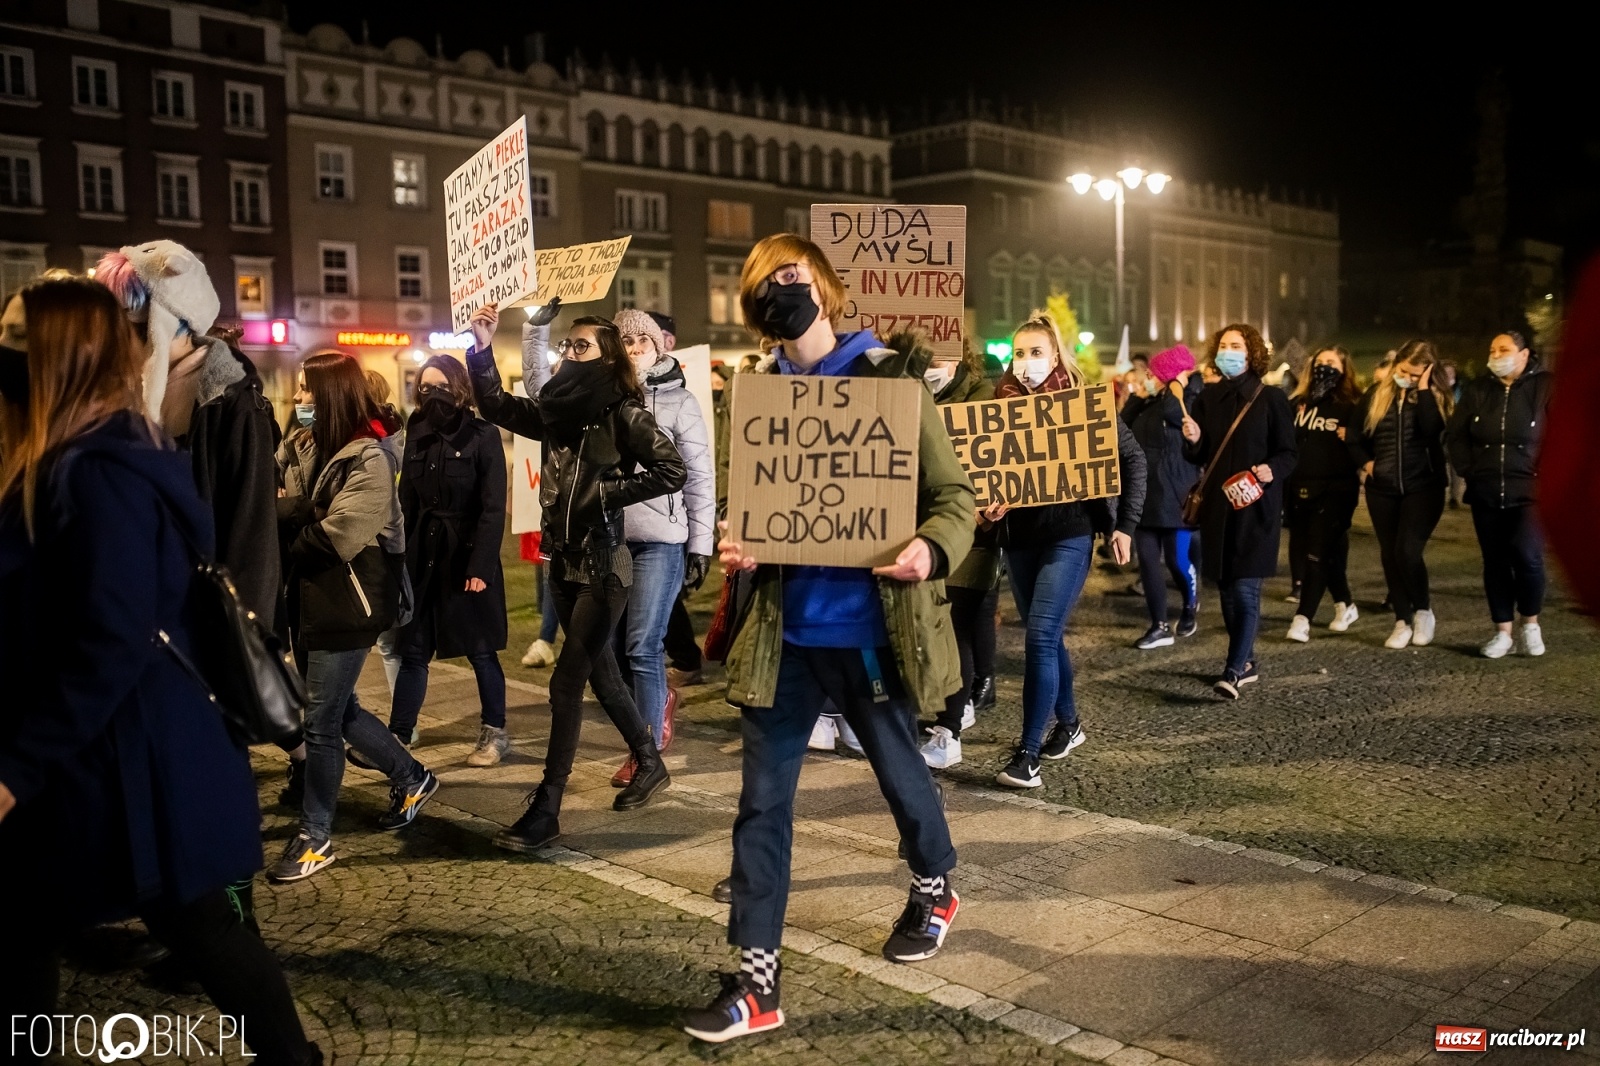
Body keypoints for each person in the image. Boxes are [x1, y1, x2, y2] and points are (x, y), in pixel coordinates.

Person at [0, 277, 322, 1065]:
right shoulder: (74, 455)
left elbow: (109, 639)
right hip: (115, 757)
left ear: (59, 355)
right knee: (69, 921)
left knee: (189, 922)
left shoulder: (98, 470)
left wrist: (14, 768)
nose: (0, 347)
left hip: (127, 759)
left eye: (13, 335)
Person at [683, 234, 974, 1043]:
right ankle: (757, 984)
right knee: (760, 805)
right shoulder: (758, 393)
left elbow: (955, 498)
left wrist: (928, 547)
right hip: (783, 637)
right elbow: (754, 506)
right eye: (762, 283)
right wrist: (737, 541)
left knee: (897, 775)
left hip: (873, 632)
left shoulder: (888, 378)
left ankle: (934, 883)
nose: (780, 290)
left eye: (791, 275)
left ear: (825, 286)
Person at [95, 242, 292, 934]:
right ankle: (190, 925)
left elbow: (250, 530)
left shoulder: (228, 399)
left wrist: (242, 639)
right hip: (168, 633)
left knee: (220, 806)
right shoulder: (147, 393)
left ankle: (236, 934)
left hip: (209, 635)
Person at [468, 304, 685, 852]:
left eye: (580, 346)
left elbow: (672, 469)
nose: (569, 353)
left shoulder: (622, 411)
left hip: (604, 567)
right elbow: (493, 403)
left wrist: (607, 494)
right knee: (605, 677)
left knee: (567, 683)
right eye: (567, 346)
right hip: (561, 562)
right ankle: (650, 762)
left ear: (606, 355)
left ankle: (547, 805)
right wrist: (483, 345)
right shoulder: (556, 411)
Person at [269, 351, 440, 883]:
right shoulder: (299, 444)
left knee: (319, 723)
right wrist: (291, 513)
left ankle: (315, 836)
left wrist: (289, 514)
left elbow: (338, 535)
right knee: (337, 711)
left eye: (305, 392)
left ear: (332, 395)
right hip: (307, 598)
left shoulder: (371, 457)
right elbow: (264, 498)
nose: (297, 401)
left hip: (350, 602)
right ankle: (411, 775)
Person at [988, 313, 1146, 786]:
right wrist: (988, 505)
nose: (1026, 362)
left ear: (1056, 356)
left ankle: (1028, 753)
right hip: (1019, 537)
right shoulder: (998, 407)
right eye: (1019, 353)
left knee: (1038, 636)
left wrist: (1125, 526)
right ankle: (1071, 723)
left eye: (1037, 352)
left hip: (1070, 532)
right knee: (1049, 638)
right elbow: (985, 473)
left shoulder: (1084, 406)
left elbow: (1133, 458)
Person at [383, 355, 511, 765]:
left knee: (480, 648)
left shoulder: (482, 434)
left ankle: (494, 732)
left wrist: (481, 566)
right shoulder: (415, 434)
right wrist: (398, 558)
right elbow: (405, 501)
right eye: (424, 387)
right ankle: (399, 733)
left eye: (440, 386)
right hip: (423, 556)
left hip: (466, 556)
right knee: (413, 648)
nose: (431, 394)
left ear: (458, 388)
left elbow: (493, 508)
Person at [607, 309, 715, 784]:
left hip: (660, 540)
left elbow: (699, 477)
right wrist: (535, 333)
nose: (633, 351)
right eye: (625, 342)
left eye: (641, 342)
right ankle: (659, 705)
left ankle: (644, 753)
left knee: (643, 646)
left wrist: (701, 544)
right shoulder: (601, 397)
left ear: (658, 347)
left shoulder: (680, 402)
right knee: (608, 649)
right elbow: (543, 395)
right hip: (609, 539)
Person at [1181, 324, 1296, 698]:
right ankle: (1245, 660)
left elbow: (1289, 453)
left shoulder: (1271, 398)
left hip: (1255, 508)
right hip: (1218, 509)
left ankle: (1232, 670)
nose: (1228, 351)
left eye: (1236, 345)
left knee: (1246, 589)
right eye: (1224, 345)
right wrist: (1194, 440)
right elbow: (1199, 456)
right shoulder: (1207, 399)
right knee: (1227, 590)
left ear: (1252, 354)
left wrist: (1271, 470)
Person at [1447, 330, 1553, 658]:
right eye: (1493, 349)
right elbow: (1456, 435)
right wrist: (1470, 469)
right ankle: (1502, 630)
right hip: (1487, 489)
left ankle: (1530, 623)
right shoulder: (1479, 389)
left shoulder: (1546, 386)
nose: (1496, 355)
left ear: (1524, 355)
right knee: (1495, 561)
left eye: (1504, 349)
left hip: (1532, 490)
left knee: (1527, 555)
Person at [920, 338, 999, 769]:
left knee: (957, 625)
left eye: (941, 350)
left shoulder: (982, 397)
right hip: (921, 528)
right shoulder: (909, 388)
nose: (933, 360)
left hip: (973, 530)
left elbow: (998, 463)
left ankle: (949, 725)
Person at [1349, 339, 1452, 650]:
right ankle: (1402, 620)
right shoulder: (1377, 393)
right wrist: (1366, 464)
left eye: (1414, 373)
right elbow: (1354, 435)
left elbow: (1433, 431)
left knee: (1408, 550)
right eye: (1402, 370)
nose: (1405, 376)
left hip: (1424, 486)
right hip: (1383, 487)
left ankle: (1423, 612)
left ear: (1427, 372)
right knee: (1390, 553)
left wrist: (1421, 390)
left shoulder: (1435, 397)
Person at [1123, 344, 1202, 650]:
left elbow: (1175, 413)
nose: (1149, 378)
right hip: (1145, 494)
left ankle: (1189, 604)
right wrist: (1137, 399)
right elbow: (1121, 428)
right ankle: (1159, 624)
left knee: (1177, 561)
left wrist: (1176, 385)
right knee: (1147, 562)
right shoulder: (1150, 403)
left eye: (1155, 374)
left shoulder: (1189, 401)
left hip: (1177, 495)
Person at [1284, 346, 1364, 641]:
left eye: (1332, 363)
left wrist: (1354, 437)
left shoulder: (1353, 405)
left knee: (1317, 555)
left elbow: (1365, 439)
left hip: (1336, 490)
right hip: (1301, 487)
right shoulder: (1300, 402)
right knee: (1322, 554)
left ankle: (1302, 618)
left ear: (1344, 370)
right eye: (1319, 362)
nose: (1324, 367)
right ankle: (1346, 603)